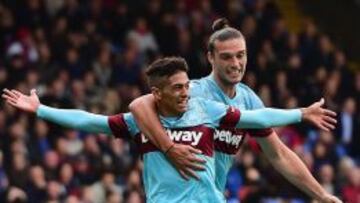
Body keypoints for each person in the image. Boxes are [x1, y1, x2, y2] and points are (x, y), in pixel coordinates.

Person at [2, 57, 337, 202]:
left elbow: (259, 119)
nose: (186, 92)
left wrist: (299, 113)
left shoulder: (206, 109)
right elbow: (90, 121)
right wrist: (41, 109)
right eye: (177, 88)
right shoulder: (139, 122)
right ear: (157, 93)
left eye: (186, 85)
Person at [128, 19, 343, 203]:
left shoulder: (248, 99)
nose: (236, 63)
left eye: (241, 55)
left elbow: (278, 154)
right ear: (210, 58)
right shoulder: (194, 92)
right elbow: (139, 105)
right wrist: (169, 148)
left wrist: (321, 195)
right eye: (227, 57)